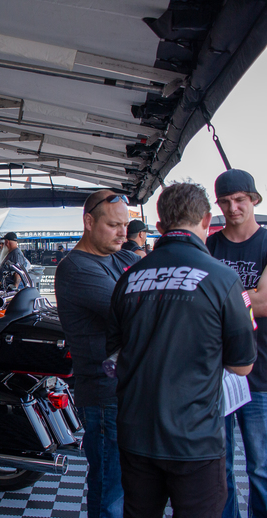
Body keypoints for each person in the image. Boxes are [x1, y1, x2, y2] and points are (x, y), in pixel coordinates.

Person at [107, 182, 256, 517]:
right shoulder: (224, 278)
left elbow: (114, 352)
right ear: (206, 220)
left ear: (160, 227)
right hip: (195, 440)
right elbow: (243, 365)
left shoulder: (127, 278)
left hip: (136, 434)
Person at [54, 190, 141, 518]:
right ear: (88, 222)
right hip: (104, 395)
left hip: (129, 390)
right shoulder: (75, 267)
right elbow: (136, 312)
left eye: (126, 225)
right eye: (114, 225)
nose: (123, 233)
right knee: (110, 491)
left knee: (130, 486)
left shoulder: (124, 258)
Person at [206, 169, 267, 518]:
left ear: (254, 200)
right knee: (220, 467)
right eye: (225, 202)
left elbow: (265, 303)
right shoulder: (211, 245)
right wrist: (247, 295)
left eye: (239, 200)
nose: (232, 208)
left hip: (261, 372)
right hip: (217, 373)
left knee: (261, 468)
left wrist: (220, 298)